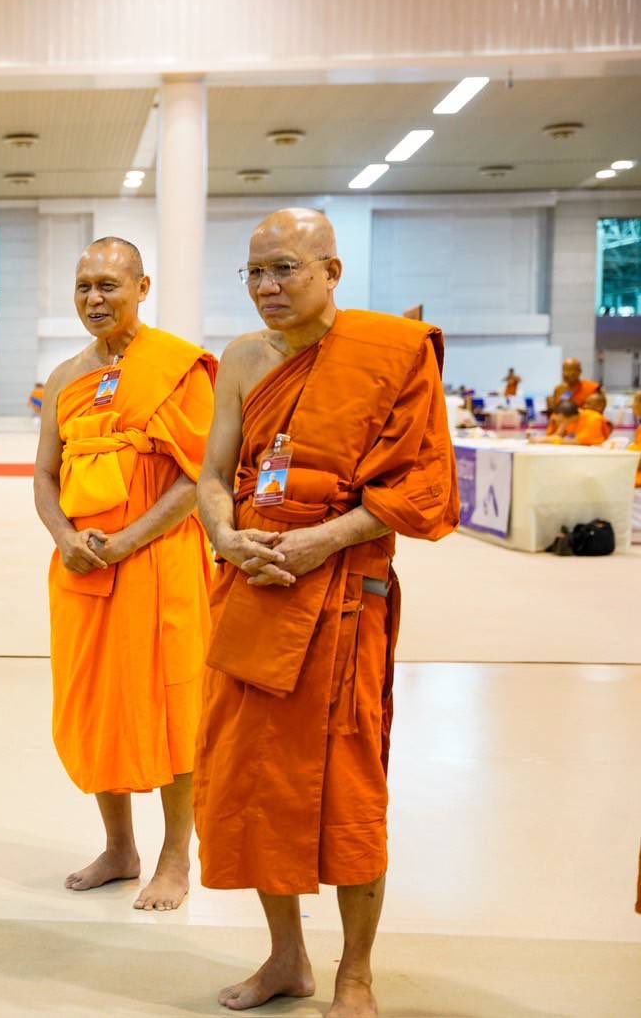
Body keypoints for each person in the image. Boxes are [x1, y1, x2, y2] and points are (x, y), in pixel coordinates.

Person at [194, 209, 458, 1017]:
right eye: (254, 273)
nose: (267, 288)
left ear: (331, 271)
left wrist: (322, 540)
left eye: (285, 270)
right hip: (254, 589)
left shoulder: (390, 354)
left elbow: (422, 489)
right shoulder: (240, 358)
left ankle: (355, 973)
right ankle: (285, 958)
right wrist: (227, 537)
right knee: (253, 781)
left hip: (344, 597)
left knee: (346, 786)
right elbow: (209, 475)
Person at [34, 238, 217, 910]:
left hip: (160, 561)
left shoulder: (176, 367)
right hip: (81, 564)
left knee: (173, 703)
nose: (93, 299)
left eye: (108, 284)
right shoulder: (63, 377)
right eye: (82, 286)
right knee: (96, 702)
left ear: (143, 286)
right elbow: (44, 474)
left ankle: (175, 854)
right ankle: (119, 845)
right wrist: (63, 535)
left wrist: (129, 539)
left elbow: (199, 477)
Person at [546, 358, 601, 433]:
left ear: (579, 371)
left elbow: (596, 414)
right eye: (564, 370)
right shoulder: (559, 389)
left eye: (569, 370)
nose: (565, 374)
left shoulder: (591, 388)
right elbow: (555, 413)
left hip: (582, 431)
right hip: (559, 432)